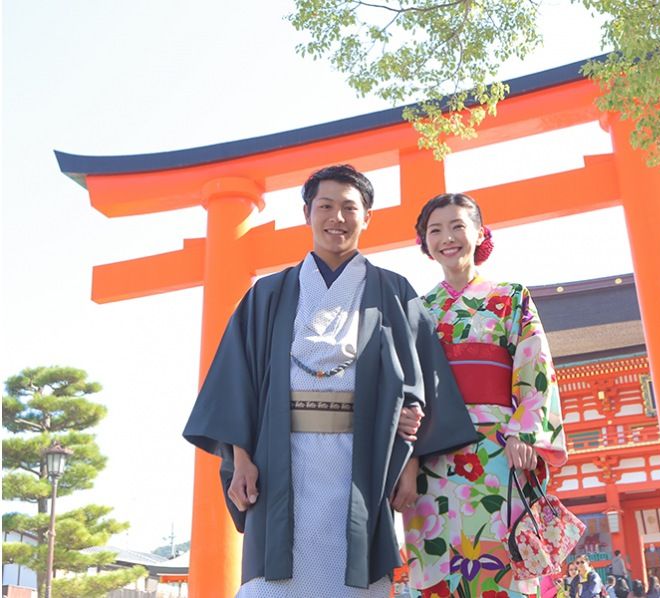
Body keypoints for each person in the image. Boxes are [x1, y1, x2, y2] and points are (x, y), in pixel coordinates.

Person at [183, 165, 478, 597]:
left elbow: (421, 386)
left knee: (354, 575)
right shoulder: (268, 294)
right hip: (280, 460)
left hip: (361, 459)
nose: (336, 217)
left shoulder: (393, 291)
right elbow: (236, 382)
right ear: (308, 214)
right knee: (275, 583)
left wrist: (410, 464)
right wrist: (240, 458)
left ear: (367, 217)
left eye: (348, 207)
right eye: (325, 206)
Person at [402, 192, 568, 597]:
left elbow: (535, 366)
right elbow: (409, 386)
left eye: (458, 226)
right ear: (425, 244)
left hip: (499, 450)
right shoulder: (418, 309)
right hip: (434, 458)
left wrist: (525, 432)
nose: (447, 238)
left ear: (479, 233)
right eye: (435, 230)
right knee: (443, 564)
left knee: (505, 562)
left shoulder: (511, 298)